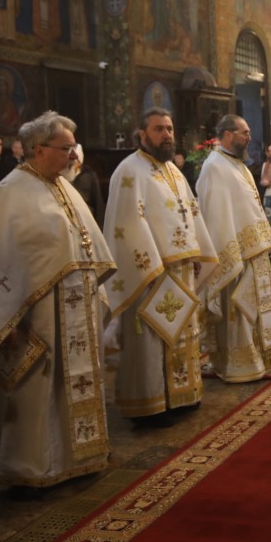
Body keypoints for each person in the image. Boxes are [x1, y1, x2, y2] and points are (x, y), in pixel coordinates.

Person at [0, 111, 116, 488]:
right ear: (38, 149)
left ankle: (80, 455)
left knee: (76, 383)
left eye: (72, 148)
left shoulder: (63, 186)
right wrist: (7, 321)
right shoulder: (7, 196)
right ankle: (33, 468)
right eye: (65, 148)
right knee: (39, 390)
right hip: (37, 317)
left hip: (76, 310)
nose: (72, 156)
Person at [102, 107, 221, 424]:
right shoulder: (129, 171)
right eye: (159, 129)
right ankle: (152, 404)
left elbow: (190, 214)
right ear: (142, 134)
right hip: (151, 274)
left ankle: (184, 396)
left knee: (183, 334)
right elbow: (127, 225)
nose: (167, 135)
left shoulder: (173, 171)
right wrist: (152, 268)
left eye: (169, 128)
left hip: (181, 270)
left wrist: (194, 254)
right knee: (153, 340)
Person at [196, 115, 271, 383]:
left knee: (252, 309)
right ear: (226, 134)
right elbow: (214, 214)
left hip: (252, 249)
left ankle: (256, 357)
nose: (248, 137)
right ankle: (235, 364)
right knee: (236, 309)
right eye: (244, 132)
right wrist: (228, 250)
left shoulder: (237, 164)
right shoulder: (214, 167)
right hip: (232, 251)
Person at [62, 142, 104, 225]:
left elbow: (98, 202)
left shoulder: (89, 175)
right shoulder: (62, 174)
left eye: (74, 161)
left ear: (80, 162)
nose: (71, 163)